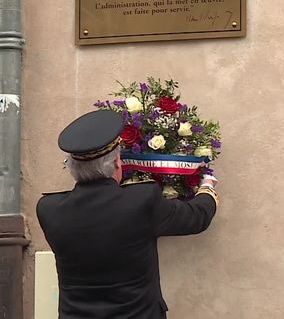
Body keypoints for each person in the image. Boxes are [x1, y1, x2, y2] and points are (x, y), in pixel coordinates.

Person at [36, 110, 219, 319]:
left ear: (73, 168)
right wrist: (207, 187)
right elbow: (195, 217)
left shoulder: (48, 210)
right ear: (116, 163)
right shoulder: (142, 200)